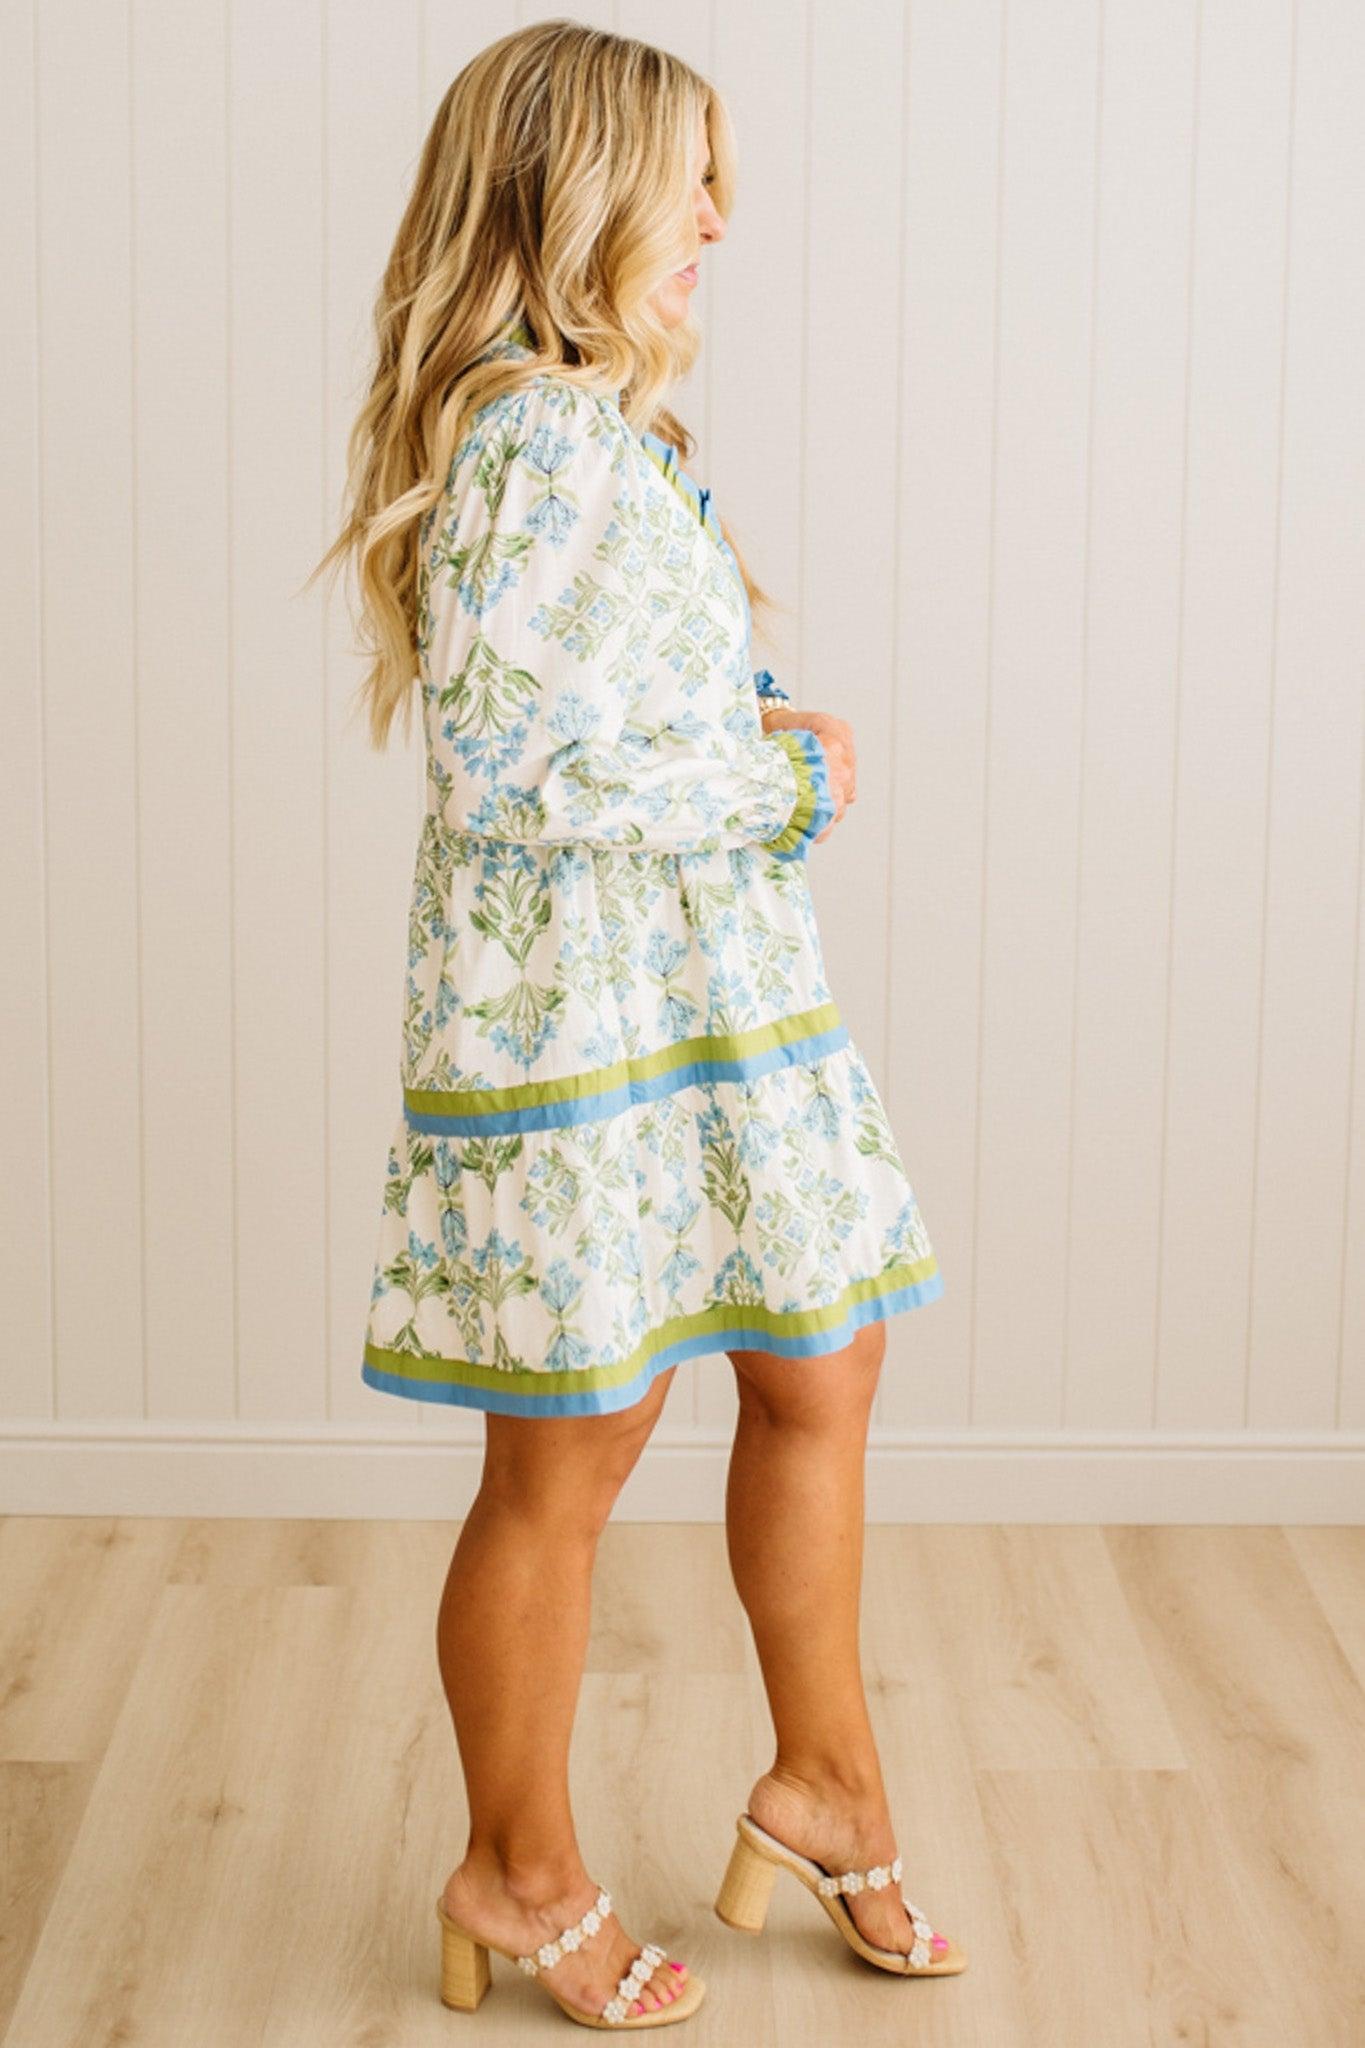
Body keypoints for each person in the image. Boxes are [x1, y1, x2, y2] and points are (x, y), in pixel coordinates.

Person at [312, 19, 963, 2030]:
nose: (712, 220)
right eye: (685, 180)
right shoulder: (523, 437)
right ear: (567, 188)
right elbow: (510, 769)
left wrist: (743, 730)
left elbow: (602, 722)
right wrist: (772, 786)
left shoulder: (600, 434)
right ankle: (517, 1871)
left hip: (705, 995)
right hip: (586, 1022)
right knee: (575, 1447)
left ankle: (823, 1777)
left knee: (815, 1359)